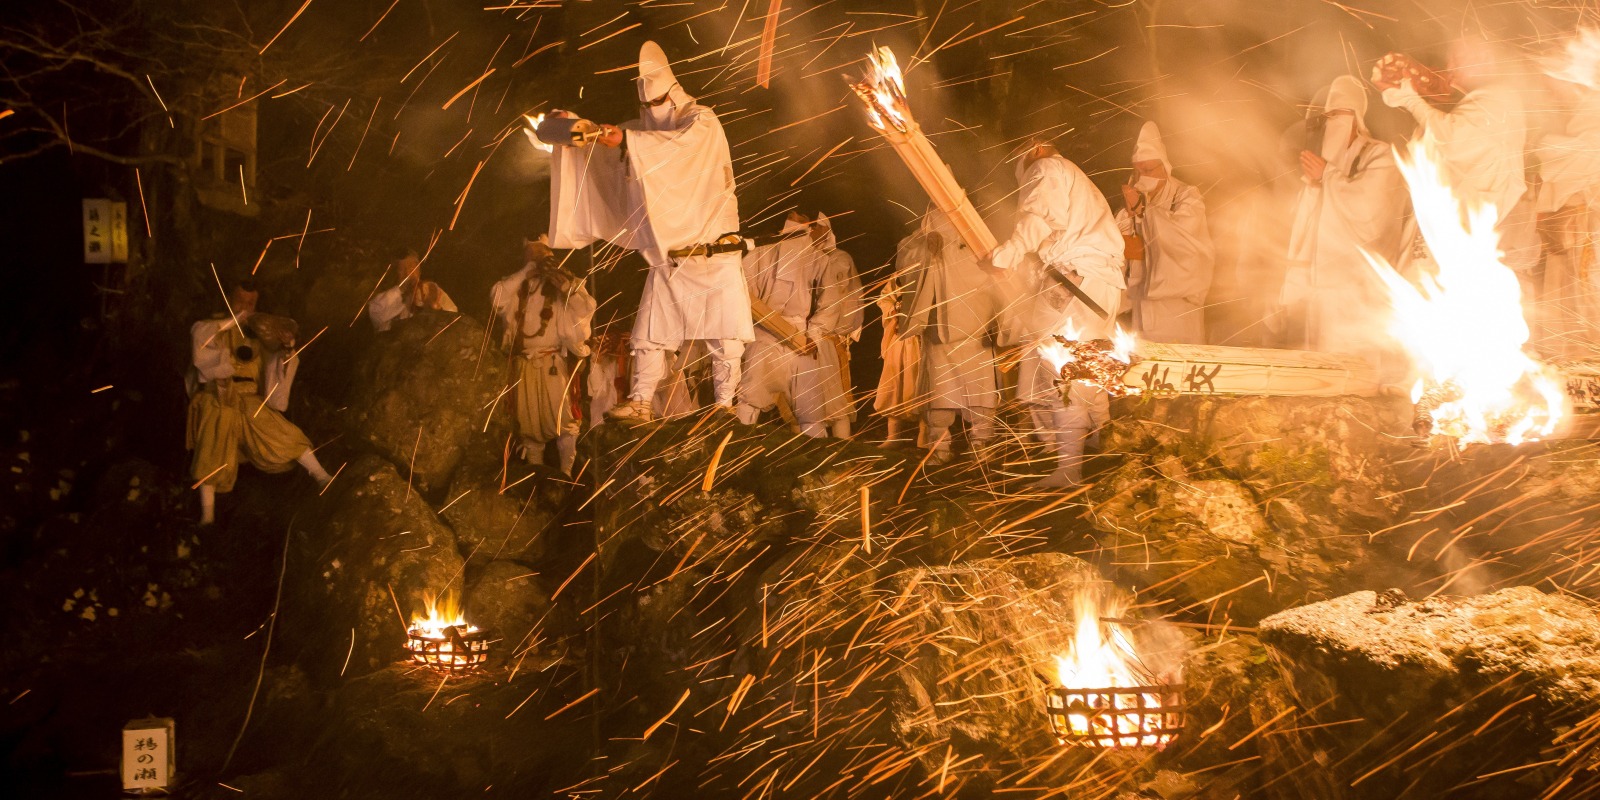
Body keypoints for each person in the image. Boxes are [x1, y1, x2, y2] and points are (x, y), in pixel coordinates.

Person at [547, 40, 754, 424]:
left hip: (714, 252)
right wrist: (577, 129)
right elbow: (609, 148)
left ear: (673, 96)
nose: (650, 114)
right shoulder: (644, 133)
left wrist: (625, 140)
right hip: (670, 257)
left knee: (725, 338)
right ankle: (641, 401)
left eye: (656, 105)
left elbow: (674, 149)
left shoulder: (702, 122)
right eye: (645, 107)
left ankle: (725, 407)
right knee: (649, 335)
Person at [987, 140, 1125, 487]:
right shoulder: (1077, 178)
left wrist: (1009, 253)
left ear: (1031, 150)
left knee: (1064, 371)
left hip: (1075, 281)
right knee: (1091, 367)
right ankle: (1101, 445)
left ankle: (1068, 468)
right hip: (1100, 283)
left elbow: (1037, 217)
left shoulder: (1046, 168)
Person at [1378, 36, 1537, 276]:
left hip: (1462, 229)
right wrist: (1416, 93)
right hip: (1449, 222)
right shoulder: (1480, 102)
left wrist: (1412, 100)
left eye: (1457, 57)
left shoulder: (1499, 98)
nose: (1450, 65)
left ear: (1483, 59)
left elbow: (1455, 139)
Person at [1282, 76, 1409, 363]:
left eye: (1336, 115)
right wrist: (1292, 287)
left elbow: (1369, 215)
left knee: (1352, 371)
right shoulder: (1319, 172)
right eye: (1326, 116)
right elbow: (1303, 232)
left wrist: (1327, 176)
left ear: (1354, 117)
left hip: (1357, 291)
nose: (1329, 123)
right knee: (1316, 372)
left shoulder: (1380, 155)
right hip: (1318, 293)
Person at [187, 280, 331, 525]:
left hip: (249, 398)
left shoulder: (261, 335)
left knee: (280, 432)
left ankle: (321, 475)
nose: (245, 306)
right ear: (230, 299)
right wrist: (234, 320)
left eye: (250, 303)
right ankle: (208, 514)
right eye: (240, 300)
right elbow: (201, 343)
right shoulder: (210, 326)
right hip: (218, 398)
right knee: (213, 446)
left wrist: (287, 347)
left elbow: (278, 364)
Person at [900, 209, 1003, 465]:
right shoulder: (922, 235)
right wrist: (927, 250)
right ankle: (939, 447)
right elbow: (904, 261)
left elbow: (997, 267)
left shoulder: (977, 232)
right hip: (938, 330)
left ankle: (982, 445)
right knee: (939, 393)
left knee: (980, 393)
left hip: (976, 329)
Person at [490, 235, 596, 475]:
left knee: (564, 419)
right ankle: (535, 473)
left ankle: (567, 473)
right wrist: (525, 273)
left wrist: (565, 287)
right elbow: (496, 299)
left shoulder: (566, 282)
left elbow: (586, 308)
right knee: (528, 422)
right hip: (524, 364)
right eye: (533, 255)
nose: (539, 260)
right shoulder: (516, 284)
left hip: (553, 363)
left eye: (543, 255)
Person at [736, 212, 834, 437]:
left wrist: (814, 334)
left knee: (810, 409)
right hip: (766, 334)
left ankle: (818, 460)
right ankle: (736, 452)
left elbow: (830, 302)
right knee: (750, 398)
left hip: (800, 339)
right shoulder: (760, 253)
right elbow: (744, 296)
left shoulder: (817, 259)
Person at [1117, 121, 1215, 345]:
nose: (1143, 176)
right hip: (1143, 303)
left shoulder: (1186, 195)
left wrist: (1144, 211)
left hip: (1177, 305)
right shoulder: (1136, 197)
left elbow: (1186, 244)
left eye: (1149, 170)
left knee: (1177, 366)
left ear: (1164, 166)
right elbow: (1121, 245)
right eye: (1138, 170)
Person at [1535, 76, 1600, 358]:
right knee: (1577, 301)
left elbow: (1577, 159)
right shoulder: (1582, 113)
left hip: (1590, 226)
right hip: (1581, 227)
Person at [805, 214, 865, 438]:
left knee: (833, 402)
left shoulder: (838, 259)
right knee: (803, 403)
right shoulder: (803, 259)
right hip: (801, 338)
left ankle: (842, 450)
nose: (810, 232)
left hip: (824, 339)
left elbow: (839, 298)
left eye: (815, 228)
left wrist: (819, 330)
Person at [873, 230, 927, 447]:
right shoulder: (897, 278)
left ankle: (926, 436)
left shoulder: (928, 274)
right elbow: (884, 300)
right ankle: (893, 436)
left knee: (920, 385)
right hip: (898, 339)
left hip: (919, 340)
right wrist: (894, 310)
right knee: (893, 385)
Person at [368, 246, 458, 333]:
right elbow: (378, 320)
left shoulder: (432, 290)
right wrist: (402, 291)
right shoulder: (381, 301)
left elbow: (454, 316)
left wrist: (435, 306)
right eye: (402, 269)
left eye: (411, 267)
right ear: (395, 273)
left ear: (419, 269)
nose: (407, 273)